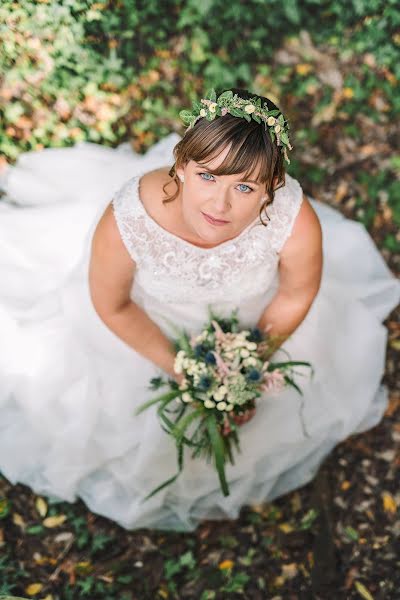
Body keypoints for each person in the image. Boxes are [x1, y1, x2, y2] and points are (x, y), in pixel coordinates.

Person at [0, 88, 398, 532]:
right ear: (181, 166)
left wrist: (246, 365)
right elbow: (112, 306)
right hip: (148, 330)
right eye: (208, 176)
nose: (220, 205)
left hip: (257, 322)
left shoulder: (293, 220)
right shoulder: (128, 222)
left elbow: (294, 295)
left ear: (272, 190)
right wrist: (188, 370)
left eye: (244, 187)